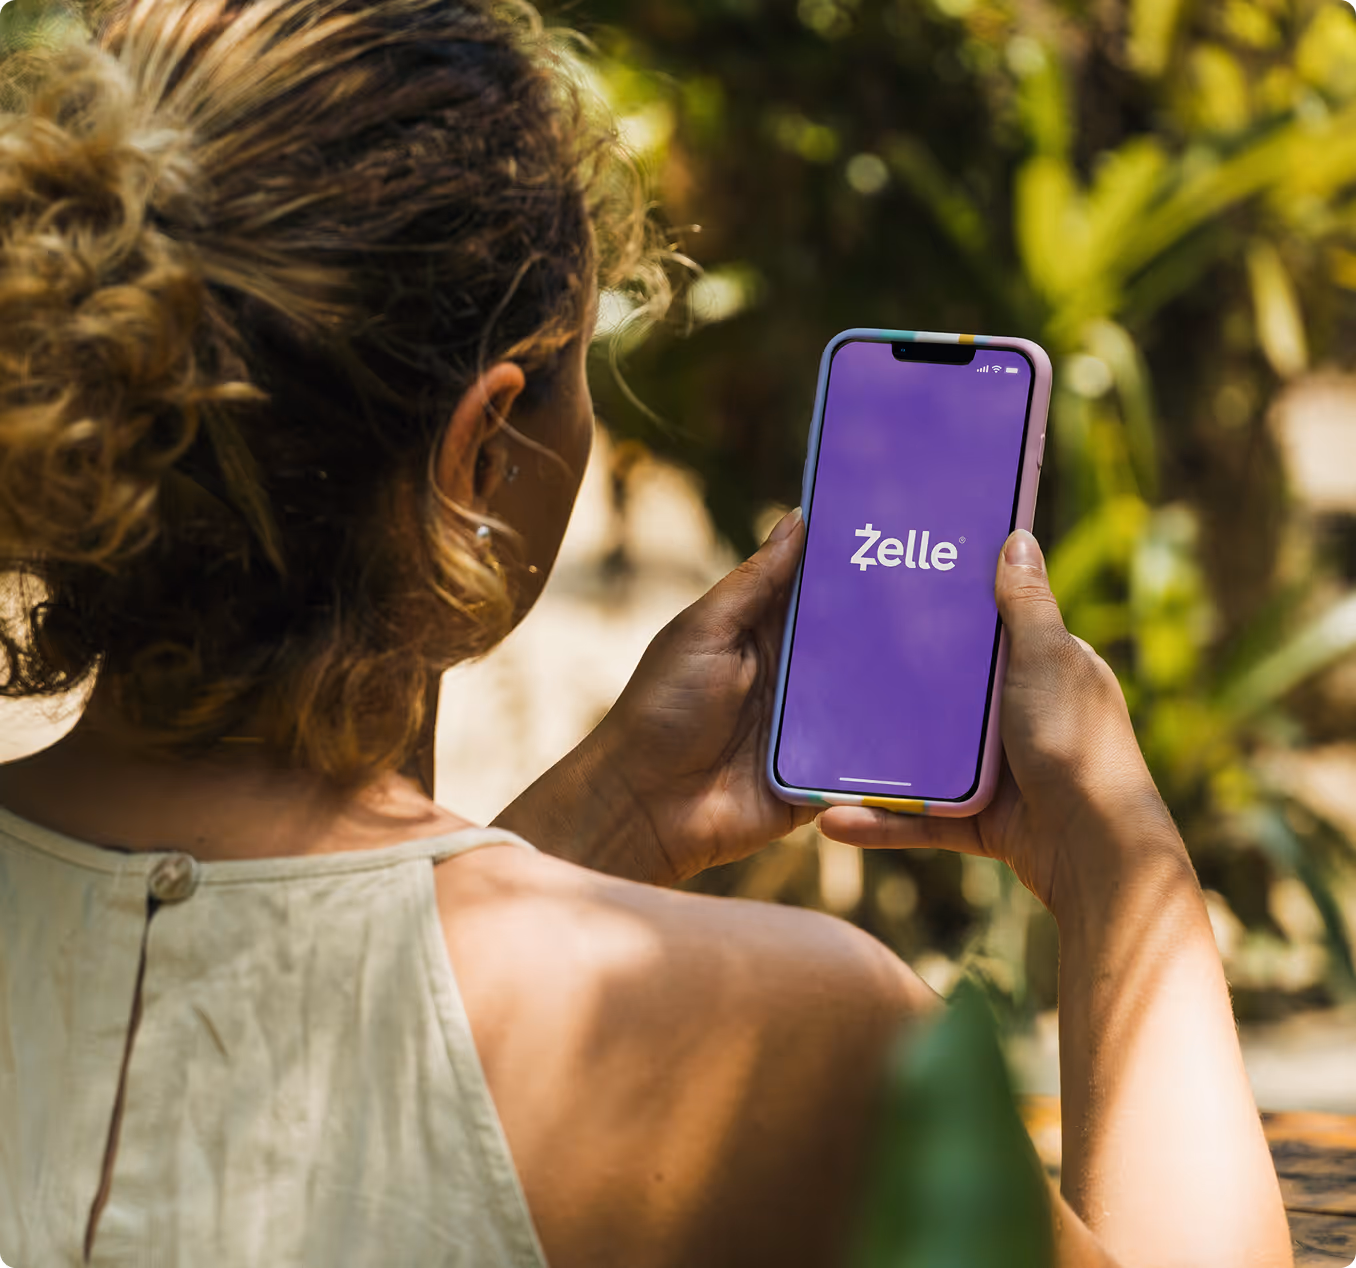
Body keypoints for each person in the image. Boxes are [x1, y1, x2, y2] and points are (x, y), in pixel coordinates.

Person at [0, 2, 1292, 1266]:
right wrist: (1117, 860)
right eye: (585, 372)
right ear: (481, 449)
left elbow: (306, 1037)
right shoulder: (785, 1039)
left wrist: (612, 812)